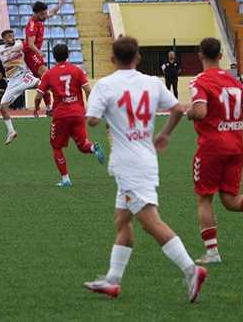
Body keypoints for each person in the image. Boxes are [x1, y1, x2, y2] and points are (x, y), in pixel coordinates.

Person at [81, 36, 208, 302]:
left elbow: (92, 121)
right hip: (144, 159)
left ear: (113, 59)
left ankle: (191, 270)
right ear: (137, 57)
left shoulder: (105, 85)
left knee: (150, 222)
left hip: (129, 167)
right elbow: (177, 109)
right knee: (121, 220)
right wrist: (164, 135)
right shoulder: (151, 83)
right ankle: (113, 280)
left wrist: (102, 113)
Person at [155, 37, 243, 266]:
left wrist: (190, 113)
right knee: (230, 198)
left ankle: (212, 253)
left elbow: (201, 112)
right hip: (236, 144)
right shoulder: (233, 81)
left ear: (200, 55)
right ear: (221, 56)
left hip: (213, 146)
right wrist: (228, 118)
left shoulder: (199, 81)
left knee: (204, 199)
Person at [33, 44, 105, 187]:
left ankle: (65, 179)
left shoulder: (49, 74)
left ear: (53, 56)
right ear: (68, 55)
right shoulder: (77, 70)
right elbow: (88, 90)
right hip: (78, 113)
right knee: (83, 144)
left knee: (56, 147)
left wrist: (36, 108)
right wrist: (89, 107)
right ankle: (93, 148)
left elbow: (38, 96)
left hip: (60, 116)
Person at [24, 0, 67, 104]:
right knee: (48, 76)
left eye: (44, 13)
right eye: (42, 13)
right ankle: (58, 101)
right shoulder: (32, 25)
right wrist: (39, 53)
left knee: (45, 79)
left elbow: (52, 13)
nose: (45, 15)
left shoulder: (40, 18)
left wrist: (60, 4)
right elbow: (30, 44)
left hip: (35, 54)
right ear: (36, 13)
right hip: (31, 54)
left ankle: (49, 106)